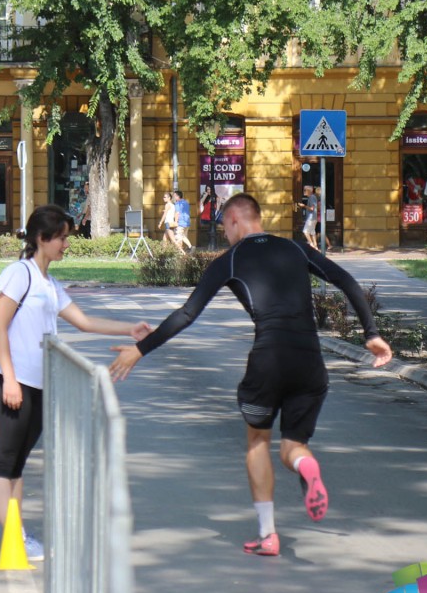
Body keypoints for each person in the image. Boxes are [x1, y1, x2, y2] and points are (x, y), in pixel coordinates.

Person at [109, 194, 392, 557]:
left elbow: (187, 314)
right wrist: (371, 334)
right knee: (293, 446)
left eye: (224, 226)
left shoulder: (231, 259)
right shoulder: (295, 248)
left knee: (258, 441)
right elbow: (346, 280)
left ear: (234, 221)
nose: (225, 234)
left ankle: (268, 535)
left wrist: (140, 350)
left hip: (268, 361)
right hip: (309, 361)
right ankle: (305, 464)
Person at [0, 204, 151, 560]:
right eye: (61, 238)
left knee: (17, 465)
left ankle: (17, 534)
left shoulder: (49, 283)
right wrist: (10, 379)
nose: (66, 244)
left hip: (38, 386)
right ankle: (15, 537)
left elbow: (84, 321)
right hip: (11, 382)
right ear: (41, 238)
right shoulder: (19, 273)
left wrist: (130, 329)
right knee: (3, 463)